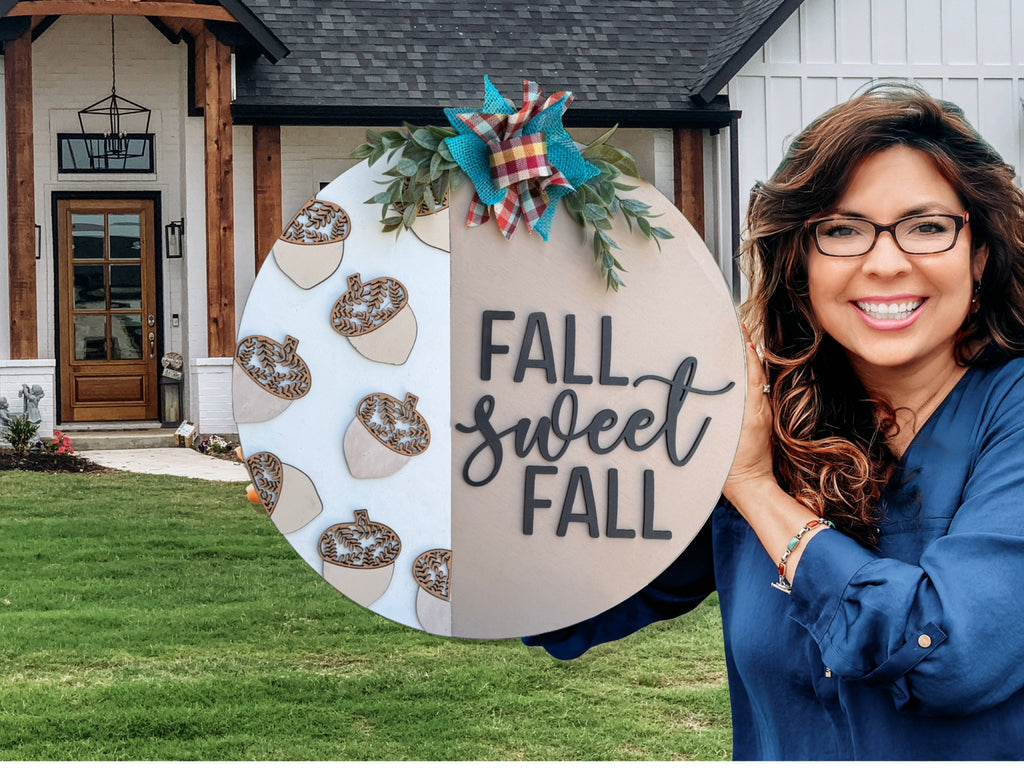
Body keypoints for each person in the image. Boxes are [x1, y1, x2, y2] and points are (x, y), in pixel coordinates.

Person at [525, 82, 1024, 760]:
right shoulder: (763, 413)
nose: (884, 262)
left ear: (981, 252)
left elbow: (951, 655)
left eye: (927, 227)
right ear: (801, 261)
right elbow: (575, 599)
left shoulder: (1008, 414)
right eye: (842, 230)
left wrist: (757, 489)